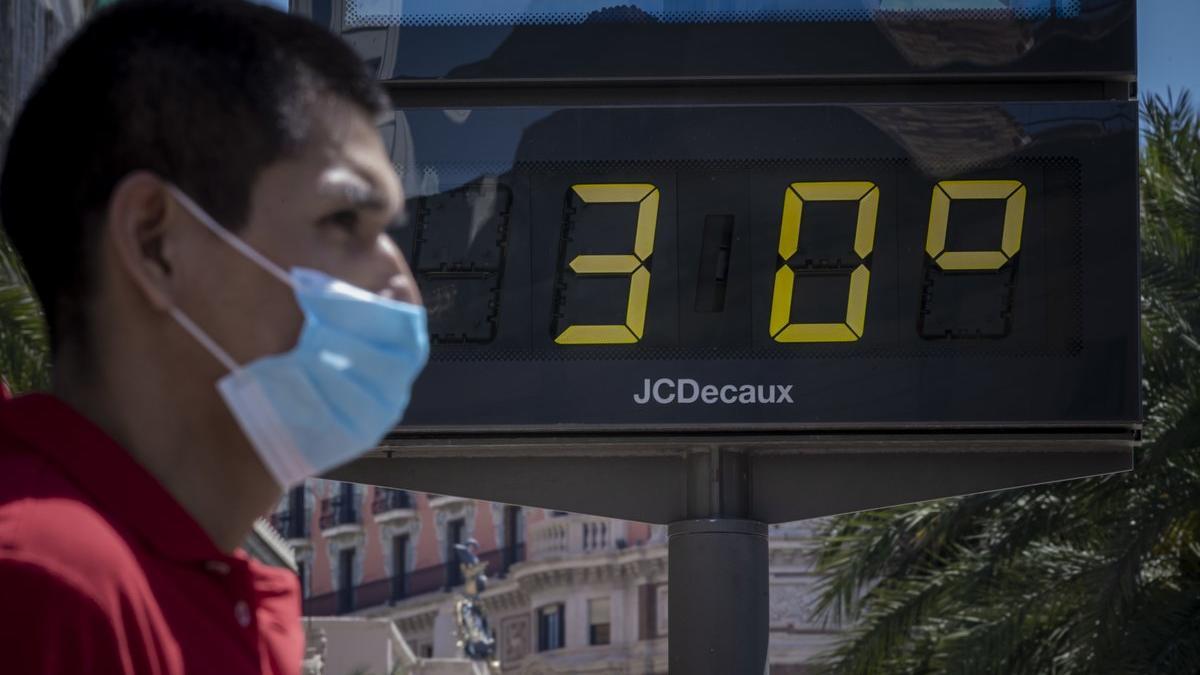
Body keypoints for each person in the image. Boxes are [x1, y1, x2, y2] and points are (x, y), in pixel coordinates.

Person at [0, 1, 428, 673]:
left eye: (389, 233)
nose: (400, 283)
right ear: (156, 241)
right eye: (344, 218)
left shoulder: (230, 611)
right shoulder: (44, 595)